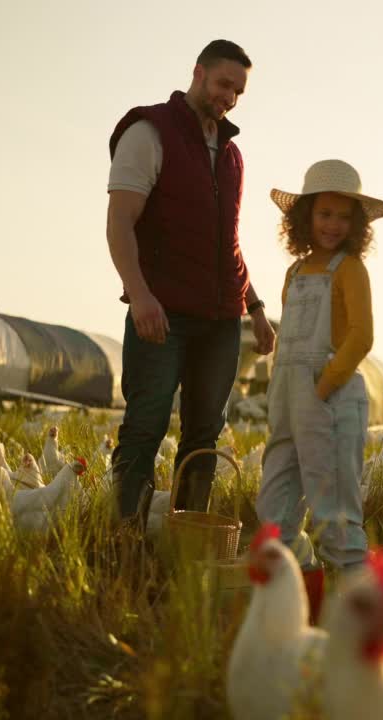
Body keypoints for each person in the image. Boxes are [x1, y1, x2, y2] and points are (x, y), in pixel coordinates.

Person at [105, 40, 276, 527]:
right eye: (224, 84)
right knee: (146, 426)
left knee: (204, 435)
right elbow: (120, 222)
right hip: (163, 313)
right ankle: (127, 538)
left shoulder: (232, 155)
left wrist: (256, 306)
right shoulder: (149, 131)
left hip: (220, 320)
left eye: (239, 91)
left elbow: (228, 244)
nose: (230, 98)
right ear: (198, 73)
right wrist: (140, 295)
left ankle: (189, 537)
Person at [256, 159, 383, 623]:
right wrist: (287, 391)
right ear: (304, 218)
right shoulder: (294, 273)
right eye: (323, 214)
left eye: (342, 216)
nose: (332, 224)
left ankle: (365, 619)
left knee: (334, 510)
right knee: (273, 512)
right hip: (287, 398)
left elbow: (361, 336)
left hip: (328, 396)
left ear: (355, 225)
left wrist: (324, 383)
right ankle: (304, 591)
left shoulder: (349, 269)